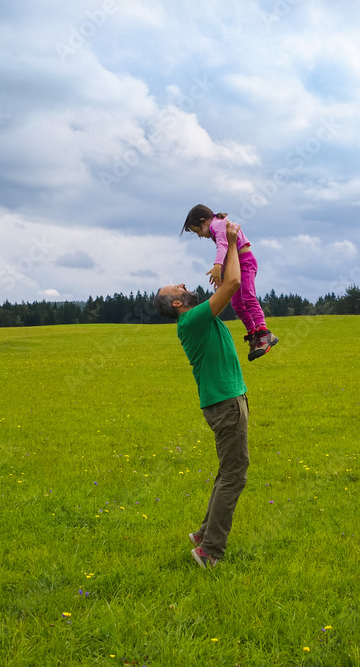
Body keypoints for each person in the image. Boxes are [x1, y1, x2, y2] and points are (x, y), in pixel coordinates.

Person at [153, 221, 250, 569]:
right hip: (225, 403)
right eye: (175, 287)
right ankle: (209, 551)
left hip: (225, 400)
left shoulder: (195, 319)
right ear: (177, 302)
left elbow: (231, 283)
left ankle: (203, 534)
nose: (182, 283)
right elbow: (234, 282)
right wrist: (233, 241)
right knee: (235, 474)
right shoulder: (193, 319)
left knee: (228, 471)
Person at [182, 204, 279, 361]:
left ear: (203, 221)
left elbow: (223, 246)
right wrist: (221, 274)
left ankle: (264, 332)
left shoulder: (217, 225)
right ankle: (253, 334)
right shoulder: (216, 227)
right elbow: (227, 252)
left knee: (248, 296)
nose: (200, 235)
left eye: (198, 231)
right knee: (237, 304)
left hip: (246, 262)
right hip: (237, 264)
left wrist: (217, 265)